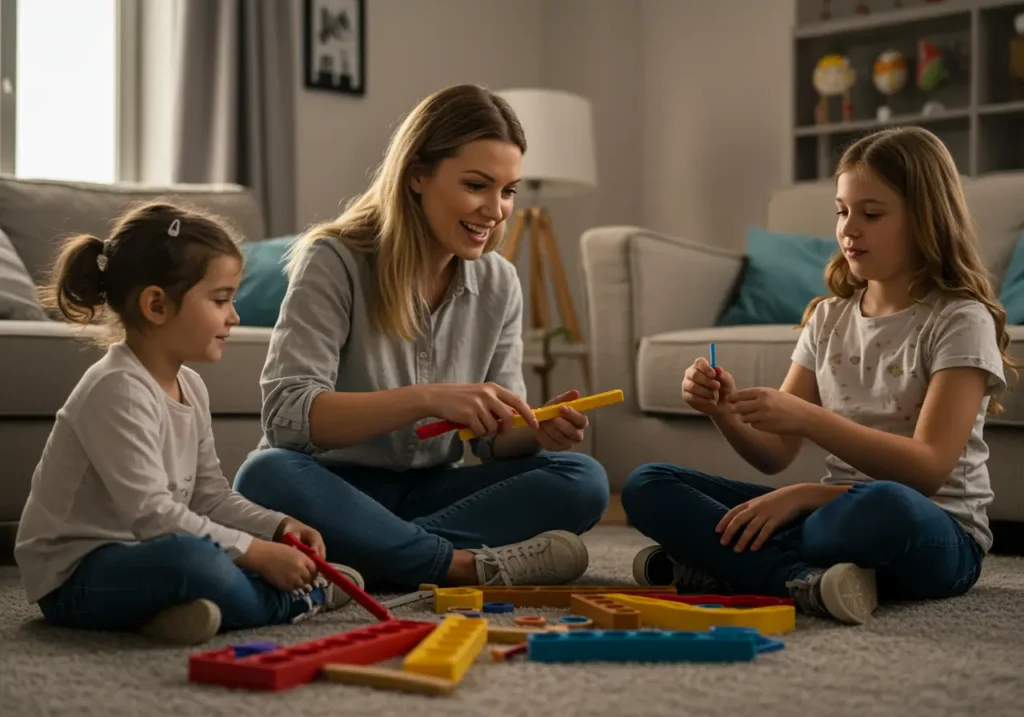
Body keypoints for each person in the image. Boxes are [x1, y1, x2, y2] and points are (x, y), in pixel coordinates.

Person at [621, 126, 1019, 625]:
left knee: (881, 508)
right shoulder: (828, 318)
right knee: (647, 484)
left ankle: (734, 565)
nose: (849, 229)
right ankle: (801, 580)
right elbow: (774, 454)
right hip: (829, 521)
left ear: (925, 219)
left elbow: (927, 471)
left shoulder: (959, 320)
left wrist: (805, 481)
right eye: (842, 210)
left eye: (871, 214)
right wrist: (723, 412)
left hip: (932, 531)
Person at [232, 84, 609, 590]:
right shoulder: (334, 260)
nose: (496, 210)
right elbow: (287, 418)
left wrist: (532, 432)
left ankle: (369, 557)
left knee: (582, 481)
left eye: (508, 191)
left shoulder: (498, 282)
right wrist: (427, 399)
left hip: (431, 490)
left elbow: (494, 445)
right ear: (417, 176)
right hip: (331, 485)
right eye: (477, 185)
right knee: (264, 476)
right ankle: (457, 566)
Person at [14, 200, 364, 646]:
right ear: (157, 305)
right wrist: (256, 553)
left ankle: (175, 614)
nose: (234, 316)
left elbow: (208, 494)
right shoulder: (117, 388)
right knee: (193, 561)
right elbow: (153, 515)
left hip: (141, 555)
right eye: (220, 300)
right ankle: (291, 603)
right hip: (75, 579)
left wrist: (275, 527)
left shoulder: (191, 386)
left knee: (202, 558)